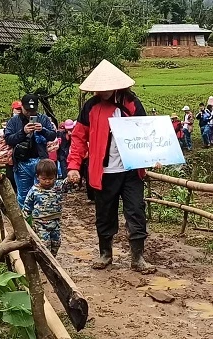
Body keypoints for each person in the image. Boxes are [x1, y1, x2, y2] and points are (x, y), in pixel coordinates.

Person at [66, 59, 156, 274]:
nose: (102, 91)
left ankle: (138, 257)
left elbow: (146, 132)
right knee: (104, 213)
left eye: (106, 88)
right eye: (99, 88)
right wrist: (73, 166)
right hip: (103, 172)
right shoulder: (91, 106)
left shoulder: (132, 104)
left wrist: (154, 155)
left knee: (136, 211)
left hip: (131, 171)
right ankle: (105, 253)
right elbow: (79, 138)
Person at [4, 94, 57, 207]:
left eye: (33, 110)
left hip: (41, 162)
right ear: (22, 107)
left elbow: (52, 135)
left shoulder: (43, 119)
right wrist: (23, 132)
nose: (30, 113)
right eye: (27, 110)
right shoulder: (14, 121)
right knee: (23, 195)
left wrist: (43, 130)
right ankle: (26, 222)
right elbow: (8, 139)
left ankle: (41, 219)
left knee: (42, 194)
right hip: (22, 162)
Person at [23, 159, 69, 256]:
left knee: (56, 243)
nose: (47, 181)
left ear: (55, 177)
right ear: (38, 177)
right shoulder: (34, 191)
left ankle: (52, 259)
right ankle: (46, 262)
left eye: (51, 178)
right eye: (44, 179)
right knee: (44, 245)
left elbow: (67, 183)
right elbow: (27, 206)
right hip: (40, 223)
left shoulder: (58, 186)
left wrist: (71, 178)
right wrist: (24, 220)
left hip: (55, 221)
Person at [5, 100, 23, 191]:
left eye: (20, 109)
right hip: (11, 154)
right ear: (13, 110)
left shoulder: (24, 120)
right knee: (11, 177)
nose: (19, 110)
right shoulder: (10, 122)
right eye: (17, 109)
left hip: (22, 154)